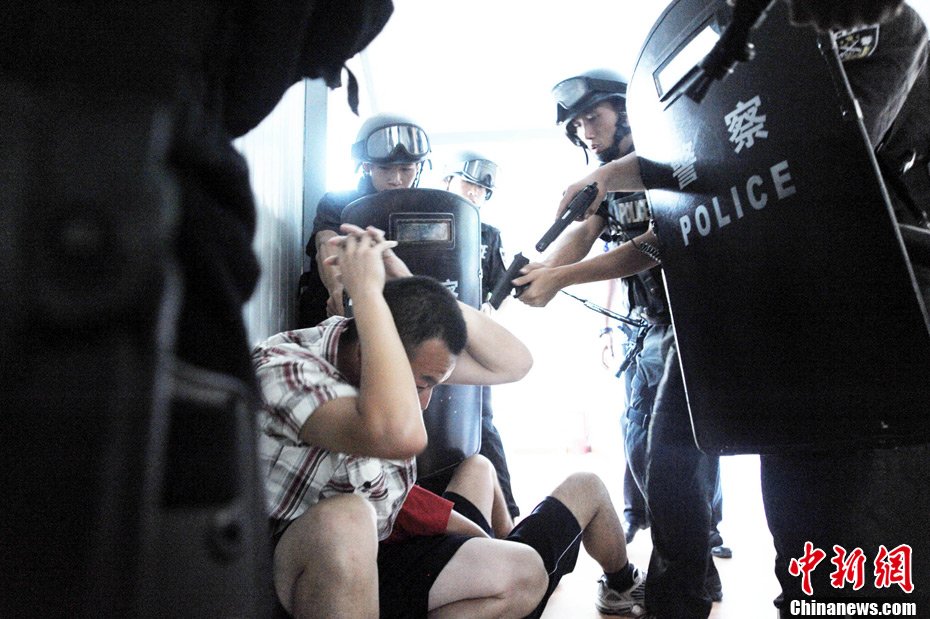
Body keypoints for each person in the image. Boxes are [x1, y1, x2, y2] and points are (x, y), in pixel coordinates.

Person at [517, 5, 930, 617]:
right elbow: (696, 175)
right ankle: (683, 598)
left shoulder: (851, 27)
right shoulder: (699, 93)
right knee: (721, 483)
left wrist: (568, 265)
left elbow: (806, 149)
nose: (585, 131)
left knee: (853, 528)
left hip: (858, 296)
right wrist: (588, 203)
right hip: (749, 301)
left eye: (591, 117)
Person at [255, 224, 648, 618]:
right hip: (300, 571)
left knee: (521, 561)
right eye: (420, 385)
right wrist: (368, 293)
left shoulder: (399, 349)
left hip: (381, 554)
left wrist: (417, 289)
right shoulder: (286, 369)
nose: (425, 401)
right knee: (348, 519)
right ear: (371, 353)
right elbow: (399, 435)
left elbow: (515, 363)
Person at [520, 68, 727, 618]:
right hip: (645, 327)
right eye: (577, 125)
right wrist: (536, 271)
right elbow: (582, 232)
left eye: (594, 116)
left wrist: (560, 278)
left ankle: (693, 578)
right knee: (641, 447)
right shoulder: (603, 183)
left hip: (690, 322)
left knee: (679, 458)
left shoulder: (667, 154)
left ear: (624, 109)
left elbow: (658, 245)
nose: (586, 130)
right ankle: (686, 565)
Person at [439, 149, 521, 519]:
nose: (475, 193)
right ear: (448, 181)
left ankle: (508, 511)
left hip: (471, 342)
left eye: (482, 190)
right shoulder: (428, 218)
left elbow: (500, 287)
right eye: (468, 184)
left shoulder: (489, 234)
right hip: (424, 335)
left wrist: (490, 309)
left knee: (481, 423)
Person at [296, 112, 431, 328]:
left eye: (406, 169)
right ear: (367, 166)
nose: (396, 179)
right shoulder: (337, 203)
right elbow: (326, 244)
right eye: (385, 168)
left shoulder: (428, 210)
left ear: (419, 167)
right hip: (339, 322)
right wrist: (338, 290)